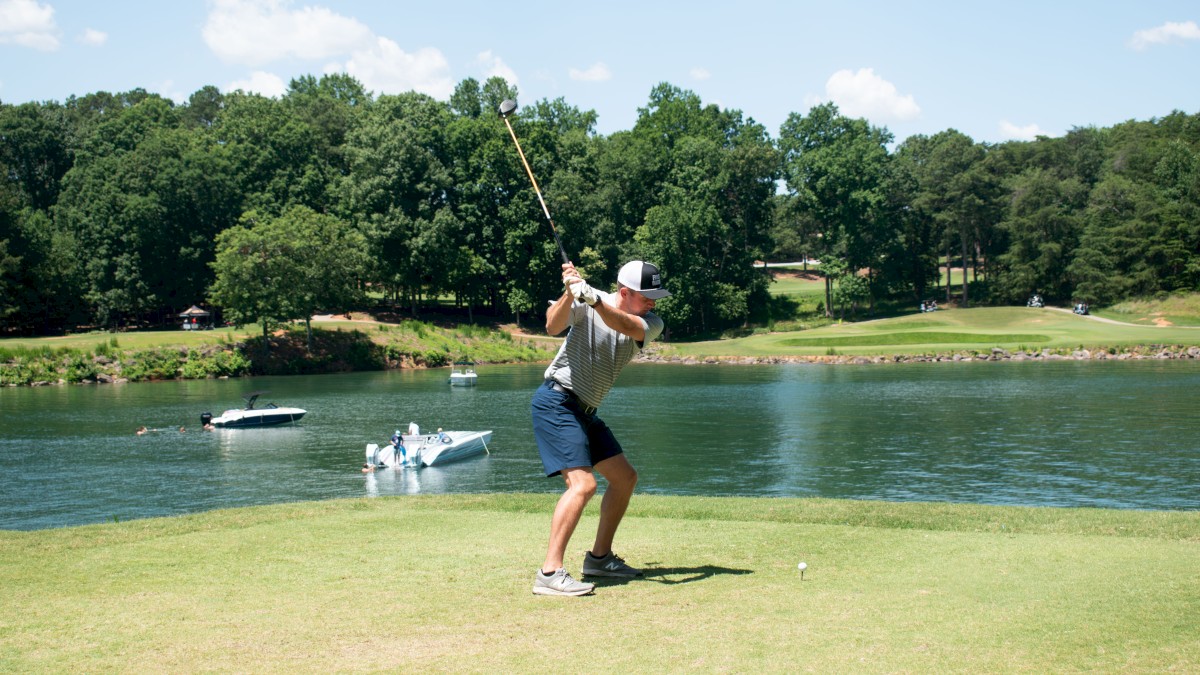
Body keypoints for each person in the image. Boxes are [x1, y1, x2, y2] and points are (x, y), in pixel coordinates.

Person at [530, 260, 670, 597]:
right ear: (624, 291)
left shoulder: (650, 322)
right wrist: (569, 293)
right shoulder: (586, 300)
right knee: (583, 485)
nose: (654, 302)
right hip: (557, 401)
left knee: (624, 477)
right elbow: (552, 326)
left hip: (585, 411)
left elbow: (624, 324)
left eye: (655, 296)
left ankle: (599, 559)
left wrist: (592, 299)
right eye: (647, 296)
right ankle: (549, 572)